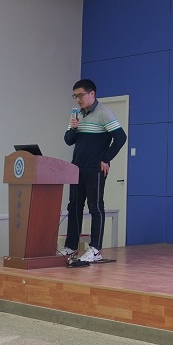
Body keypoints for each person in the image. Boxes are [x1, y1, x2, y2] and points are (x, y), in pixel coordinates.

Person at [61, 79, 126, 263]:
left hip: (94, 168)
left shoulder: (104, 113)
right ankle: (71, 247)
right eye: (75, 96)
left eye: (80, 95)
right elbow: (68, 140)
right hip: (76, 168)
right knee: (74, 206)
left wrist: (106, 158)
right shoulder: (77, 114)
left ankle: (95, 249)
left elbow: (120, 137)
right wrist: (74, 128)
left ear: (92, 94)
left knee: (95, 207)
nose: (78, 99)